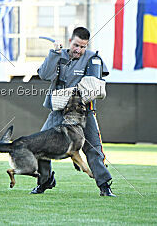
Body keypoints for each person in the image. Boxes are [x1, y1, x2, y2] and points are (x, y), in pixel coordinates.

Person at [32, 27, 116, 197]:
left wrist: (69, 95)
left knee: (93, 149)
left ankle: (104, 186)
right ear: (70, 41)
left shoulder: (92, 58)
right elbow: (44, 75)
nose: (79, 50)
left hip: (84, 112)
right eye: (76, 45)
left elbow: (95, 87)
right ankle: (45, 181)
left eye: (83, 46)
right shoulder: (58, 54)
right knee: (39, 146)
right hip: (58, 112)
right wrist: (54, 53)